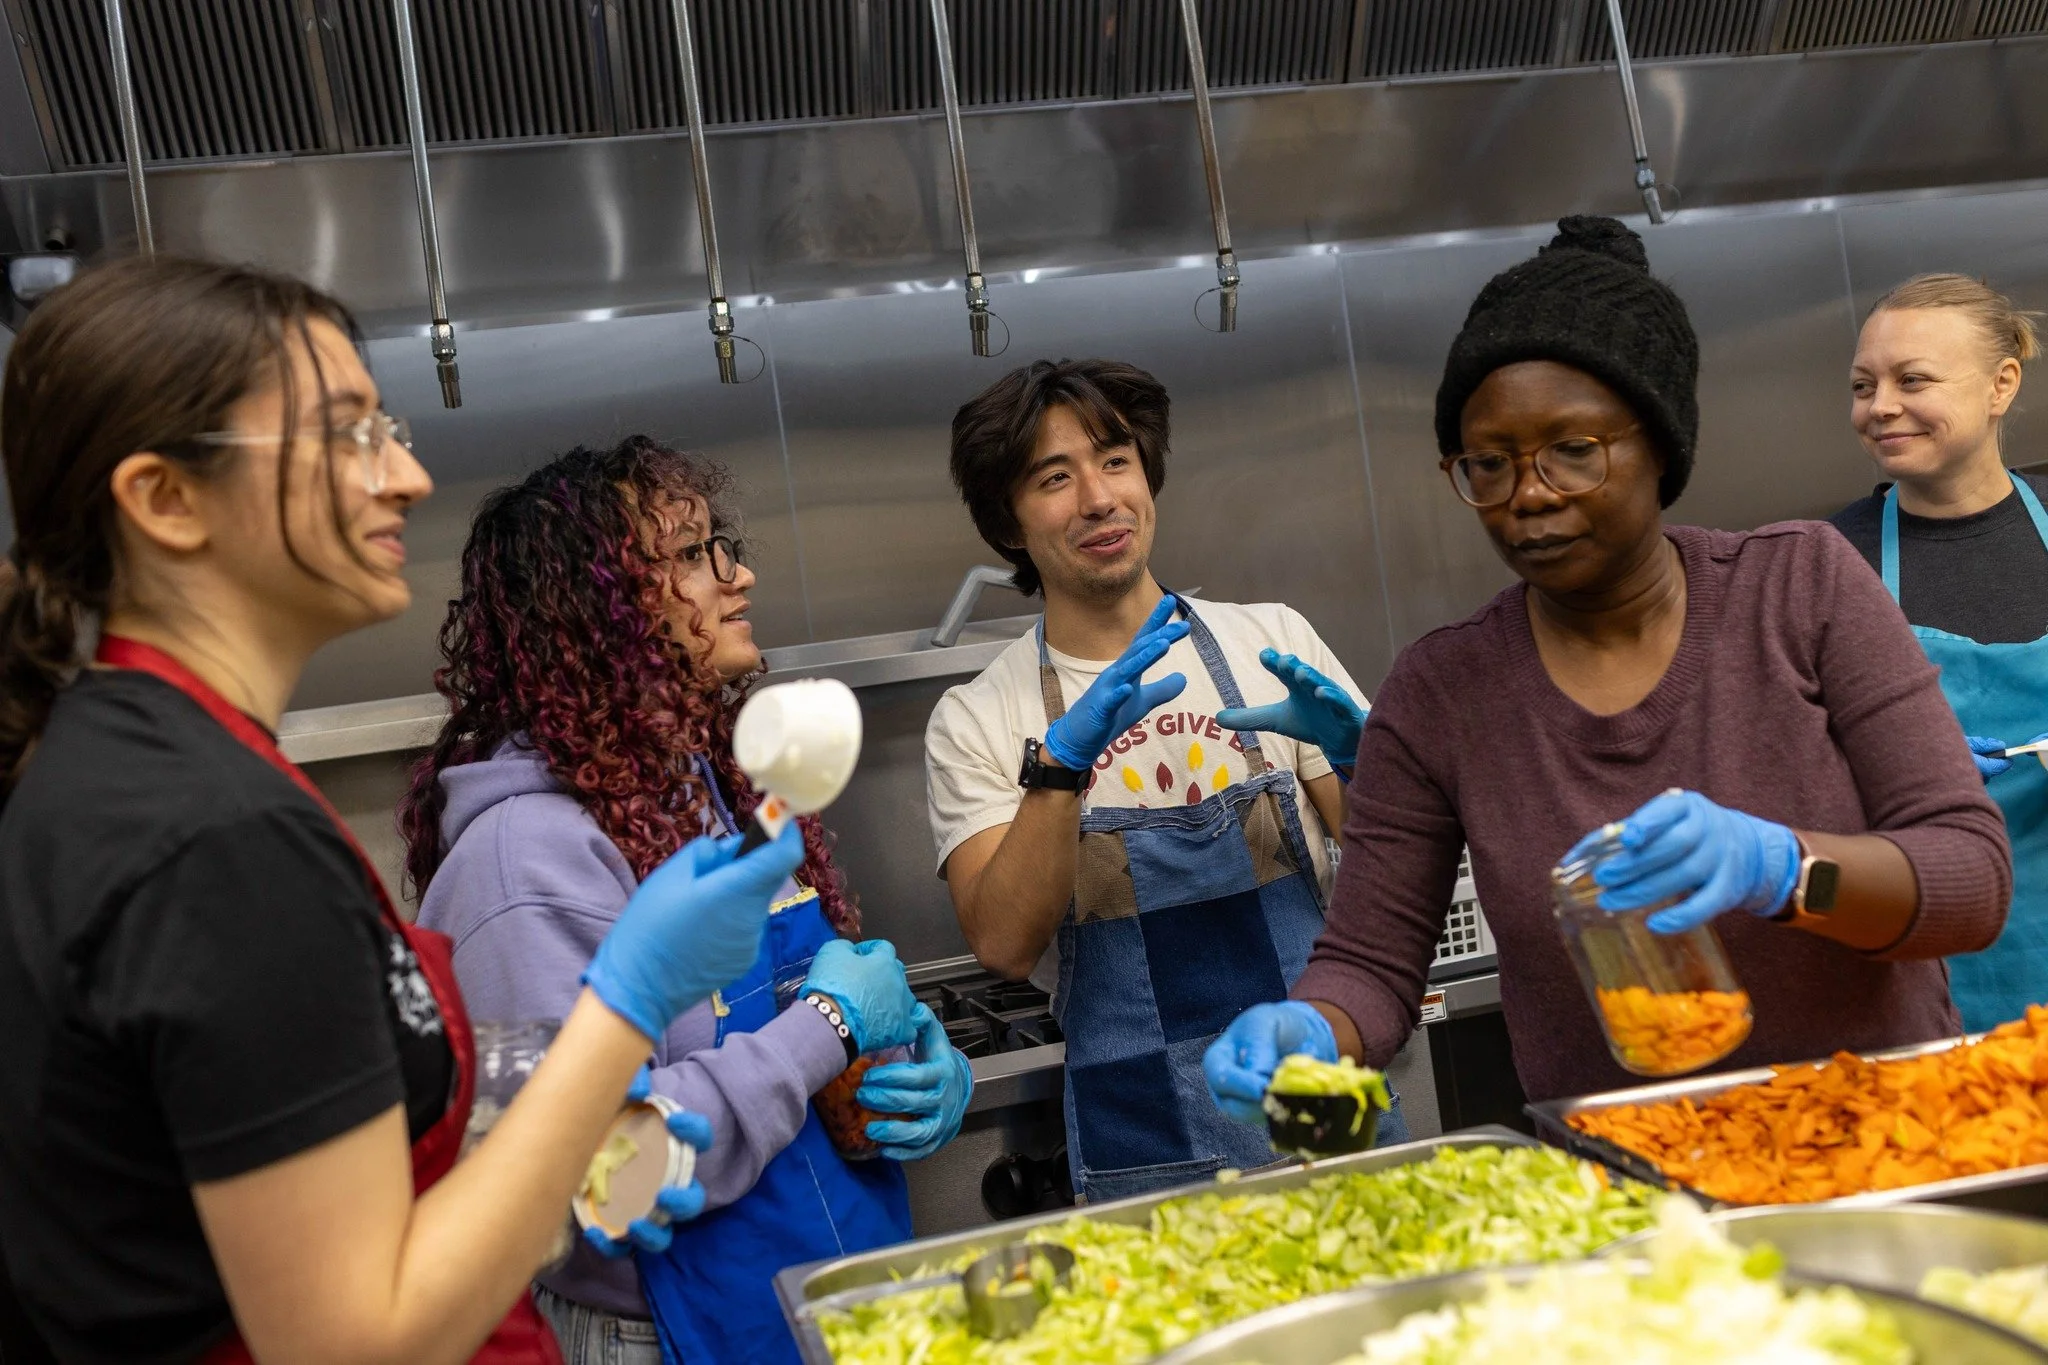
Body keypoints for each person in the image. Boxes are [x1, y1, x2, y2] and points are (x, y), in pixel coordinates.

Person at [0, 257, 803, 1364]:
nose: (407, 479)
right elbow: (353, 1343)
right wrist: (628, 1002)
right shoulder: (208, 837)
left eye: (390, 429)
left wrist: (532, 1134)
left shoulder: (157, 766)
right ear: (164, 500)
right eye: (345, 435)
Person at [1204, 217, 2012, 1120]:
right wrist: (1313, 1028)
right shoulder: (1442, 693)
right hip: (1630, 1191)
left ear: (1659, 445)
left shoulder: (1801, 588)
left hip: (1887, 1146)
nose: (1530, 493)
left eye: (1574, 452)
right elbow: (1371, 964)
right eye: (1489, 464)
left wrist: (1785, 869)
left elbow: (1969, 879)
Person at [400, 437, 972, 1365]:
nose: (738, 575)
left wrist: (905, 1057)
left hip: (839, 1294)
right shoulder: (521, 858)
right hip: (676, 1332)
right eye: (695, 553)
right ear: (601, 607)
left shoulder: (714, 790)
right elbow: (596, 1181)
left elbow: (806, 1028)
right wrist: (827, 1023)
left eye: (724, 543)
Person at [924, 357, 1405, 1205]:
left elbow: (1393, 876)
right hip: (1144, 1149)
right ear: (1009, 520)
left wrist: (1368, 763)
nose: (1099, 498)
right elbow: (1003, 943)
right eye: (1054, 477)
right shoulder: (979, 716)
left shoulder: (1271, 641)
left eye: (1115, 460)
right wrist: (1058, 772)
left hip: (1324, 1109)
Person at [1831, 274, 2048, 1032]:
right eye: (1864, 385)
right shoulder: (1825, 567)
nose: (1880, 405)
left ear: (2002, 384)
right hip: (1935, 979)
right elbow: (1783, 777)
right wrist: (1889, 766)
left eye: (1911, 379)